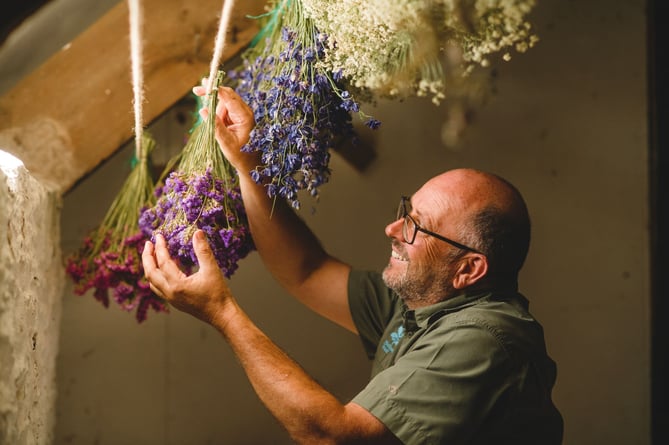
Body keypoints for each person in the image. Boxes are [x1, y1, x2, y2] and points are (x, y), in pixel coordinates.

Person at [142, 85, 564, 444]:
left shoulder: (484, 340)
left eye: (419, 227)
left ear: (468, 270)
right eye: (407, 210)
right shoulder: (424, 299)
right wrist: (248, 164)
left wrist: (222, 312)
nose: (392, 229)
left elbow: (333, 437)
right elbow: (304, 270)